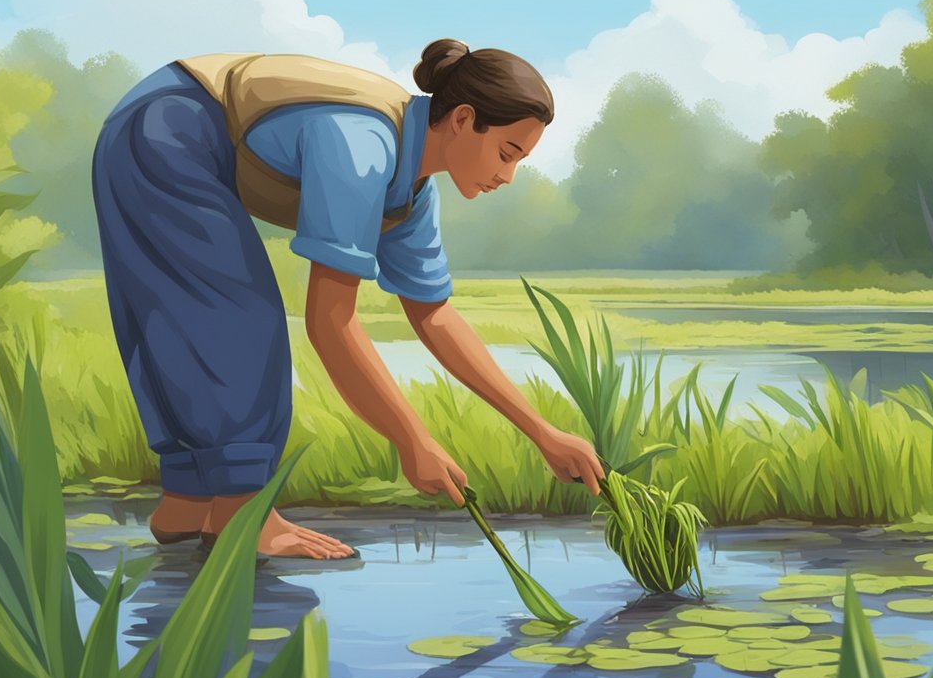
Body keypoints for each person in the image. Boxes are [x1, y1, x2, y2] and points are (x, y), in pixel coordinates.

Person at [91, 39, 605, 560]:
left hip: (157, 131)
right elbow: (330, 322)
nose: (507, 176)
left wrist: (543, 434)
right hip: (165, 127)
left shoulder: (411, 192)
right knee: (242, 320)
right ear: (462, 119)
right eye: (506, 153)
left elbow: (435, 316)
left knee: (185, 319)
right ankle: (240, 515)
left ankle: (187, 503)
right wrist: (411, 441)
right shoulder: (364, 145)